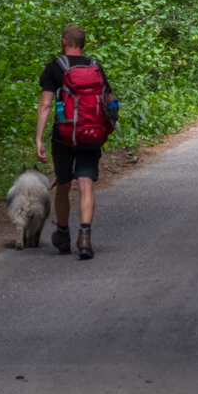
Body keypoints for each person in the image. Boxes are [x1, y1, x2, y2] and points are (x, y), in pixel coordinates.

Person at [34, 25, 114, 260]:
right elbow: (109, 101)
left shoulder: (54, 67)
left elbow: (46, 104)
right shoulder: (95, 66)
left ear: (63, 42)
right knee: (86, 182)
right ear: (83, 44)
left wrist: (39, 138)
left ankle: (63, 235)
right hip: (92, 133)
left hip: (64, 134)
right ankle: (85, 237)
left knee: (64, 183)